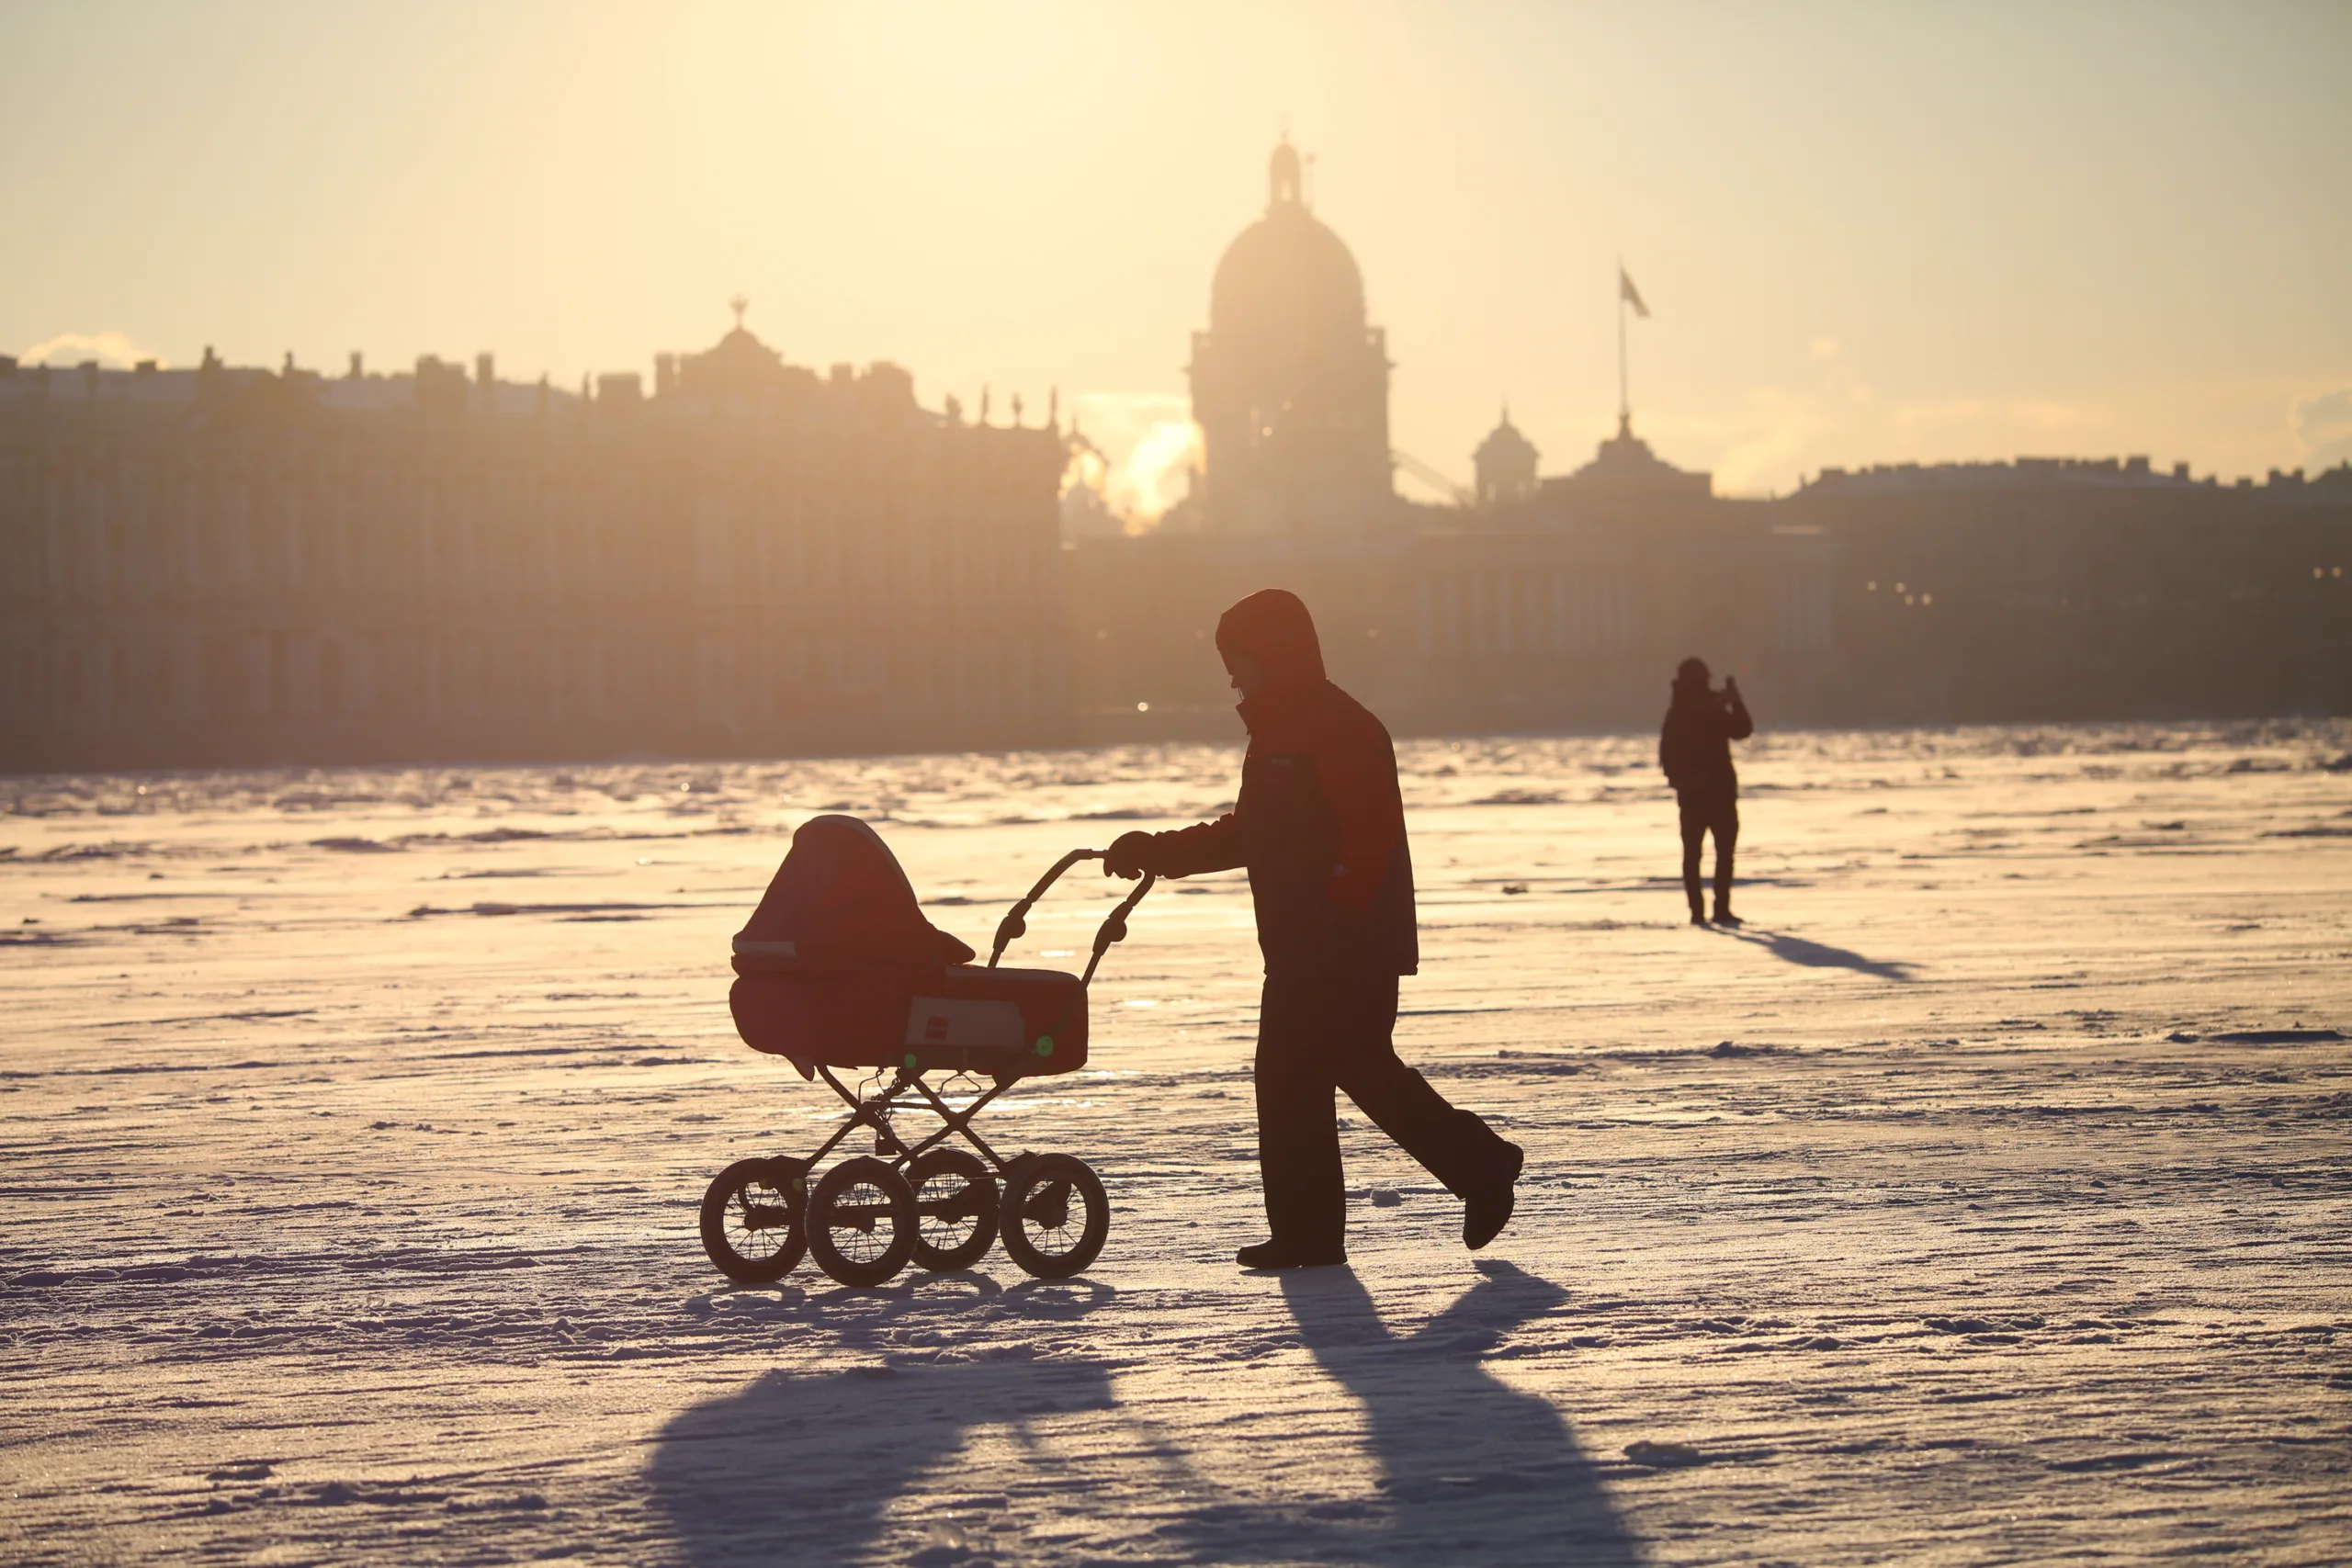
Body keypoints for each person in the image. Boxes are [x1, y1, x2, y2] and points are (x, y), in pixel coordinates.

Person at [1103, 589, 1523, 1270]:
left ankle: (1476, 1167)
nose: (1231, 676)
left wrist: (1338, 913)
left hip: (1347, 943)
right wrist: (1158, 850)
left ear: (1273, 655)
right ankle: (1319, 1229)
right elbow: (1250, 833)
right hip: (1302, 945)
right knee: (1296, 1081)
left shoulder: (1343, 727)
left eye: (1238, 659)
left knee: (1348, 1068)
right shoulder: (1275, 734)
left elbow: (1370, 832)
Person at [1658, 657, 1754, 927]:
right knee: (1721, 853)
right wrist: (1735, 701)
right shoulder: (1708, 710)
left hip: (1695, 796)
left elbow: (1666, 758)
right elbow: (1743, 729)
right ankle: (1719, 910)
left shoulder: (1678, 713)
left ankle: (1699, 912)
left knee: (1694, 856)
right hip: (1716, 794)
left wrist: (1682, 783)